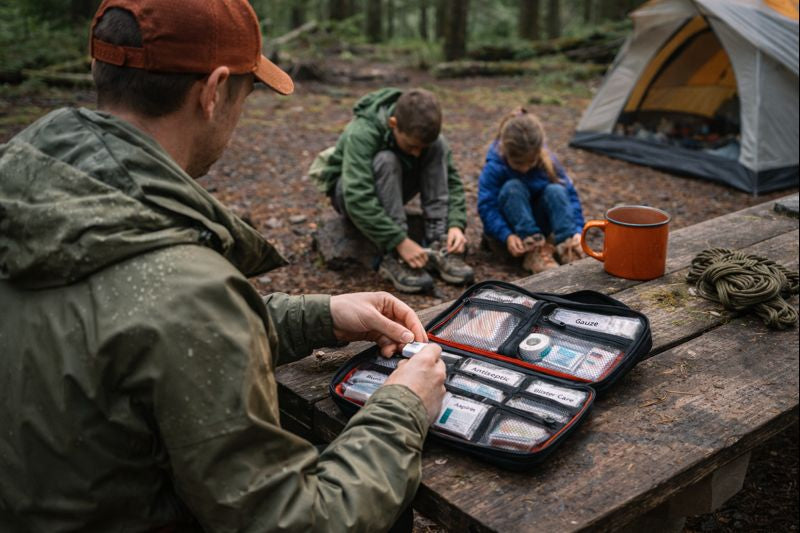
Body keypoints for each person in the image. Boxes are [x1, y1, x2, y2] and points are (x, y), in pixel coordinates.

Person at [0, 1, 447, 531]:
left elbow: (129, 324)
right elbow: (296, 520)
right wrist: (403, 405)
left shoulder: (34, 198)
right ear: (213, 92)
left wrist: (319, 314)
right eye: (246, 92)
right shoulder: (184, 284)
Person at [311, 87, 474, 293]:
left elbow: (451, 180)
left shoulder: (422, 137)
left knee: (437, 146)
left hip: (392, 187)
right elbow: (357, 197)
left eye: (420, 149)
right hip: (349, 194)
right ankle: (394, 255)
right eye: (412, 146)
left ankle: (438, 242)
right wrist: (399, 241)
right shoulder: (363, 131)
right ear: (393, 124)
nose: (417, 154)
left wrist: (456, 224)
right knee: (386, 160)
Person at [477, 108, 586, 274]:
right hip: (512, 236)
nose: (525, 168)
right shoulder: (495, 166)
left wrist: (578, 230)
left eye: (530, 163)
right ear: (506, 152)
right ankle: (533, 250)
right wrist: (506, 235)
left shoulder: (547, 161)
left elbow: (570, 196)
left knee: (556, 190)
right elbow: (487, 207)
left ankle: (567, 246)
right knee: (513, 187)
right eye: (519, 164)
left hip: (539, 226)